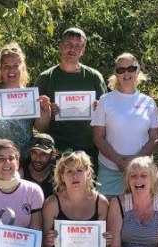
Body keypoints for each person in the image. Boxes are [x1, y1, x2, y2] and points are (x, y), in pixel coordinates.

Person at [0, 43, 51, 187]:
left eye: (15, 65)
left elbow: (41, 127)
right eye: (6, 66)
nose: (11, 70)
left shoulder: (30, 95)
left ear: (22, 68)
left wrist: (45, 110)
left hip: (19, 161)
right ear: (1, 69)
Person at [34, 27, 107, 165]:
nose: (72, 49)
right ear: (61, 46)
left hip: (88, 148)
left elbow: (107, 118)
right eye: (68, 44)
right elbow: (38, 127)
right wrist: (47, 113)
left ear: (83, 50)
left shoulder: (94, 77)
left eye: (77, 46)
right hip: (55, 149)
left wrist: (99, 109)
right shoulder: (45, 78)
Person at [91, 53, 158, 196]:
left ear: (137, 71)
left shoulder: (148, 102)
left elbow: (155, 138)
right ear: (116, 74)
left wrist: (134, 160)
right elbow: (98, 137)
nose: (126, 73)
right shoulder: (105, 100)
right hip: (110, 169)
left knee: (142, 214)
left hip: (142, 172)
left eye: (131, 68)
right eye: (121, 70)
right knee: (108, 214)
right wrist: (119, 161)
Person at [20, 133, 56, 199]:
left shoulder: (58, 174)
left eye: (43, 154)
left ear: (53, 154)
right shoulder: (20, 172)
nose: (38, 159)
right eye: (34, 153)